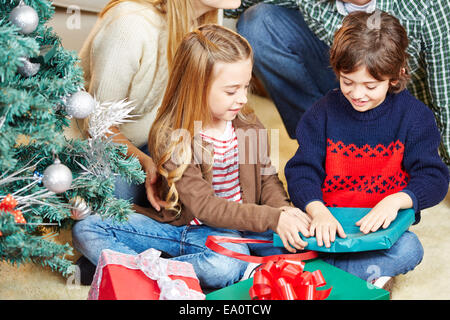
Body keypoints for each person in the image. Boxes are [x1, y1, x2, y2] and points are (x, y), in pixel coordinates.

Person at [73, 24, 312, 289]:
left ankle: (130, 266)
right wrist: (271, 218)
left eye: (246, 86)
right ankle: (163, 270)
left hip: (243, 227)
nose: (243, 98)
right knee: (87, 229)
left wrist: (282, 210)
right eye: (232, 91)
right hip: (187, 229)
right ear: (197, 87)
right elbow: (206, 207)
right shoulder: (173, 136)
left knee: (299, 244)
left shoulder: (247, 123)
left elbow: (267, 179)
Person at [284, 11, 449, 290]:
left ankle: (323, 273)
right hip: (326, 227)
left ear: (396, 76)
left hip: (377, 235)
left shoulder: (415, 117)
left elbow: (434, 178)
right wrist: (317, 210)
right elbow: (301, 170)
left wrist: (398, 199)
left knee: (409, 250)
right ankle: (356, 274)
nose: (357, 94)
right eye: (347, 82)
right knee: (277, 233)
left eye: (370, 86)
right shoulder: (321, 113)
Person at [234, 0, 450, 167]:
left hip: (399, 111)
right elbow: (235, 3)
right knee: (257, 23)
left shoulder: (427, 7)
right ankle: (325, 146)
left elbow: (445, 97)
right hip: (339, 85)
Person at [78, 0, 241, 212]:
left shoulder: (206, 23)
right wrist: (146, 162)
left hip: (156, 141)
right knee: (119, 193)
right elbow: (96, 125)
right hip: (99, 148)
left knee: (228, 177)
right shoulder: (130, 23)